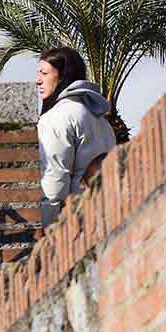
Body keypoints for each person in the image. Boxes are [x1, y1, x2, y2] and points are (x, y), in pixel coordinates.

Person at [36, 46, 117, 227]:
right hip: (106, 219)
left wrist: (47, 228)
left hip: (76, 226)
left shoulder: (56, 118)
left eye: (44, 73)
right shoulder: (103, 122)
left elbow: (54, 180)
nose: (38, 80)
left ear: (63, 76)